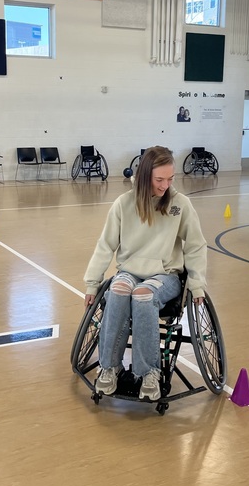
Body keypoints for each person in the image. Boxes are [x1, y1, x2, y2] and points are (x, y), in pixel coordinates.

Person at [84, 146, 207, 402]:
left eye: (170, 179)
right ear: (144, 177)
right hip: (129, 270)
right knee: (118, 290)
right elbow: (105, 245)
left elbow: (195, 245)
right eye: (159, 179)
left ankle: (148, 372)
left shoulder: (179, 204)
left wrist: (196, 284)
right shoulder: (124, 203)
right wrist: (92, 284)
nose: (166, 185)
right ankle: (110, 367)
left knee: (142, 295)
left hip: (166, 276)